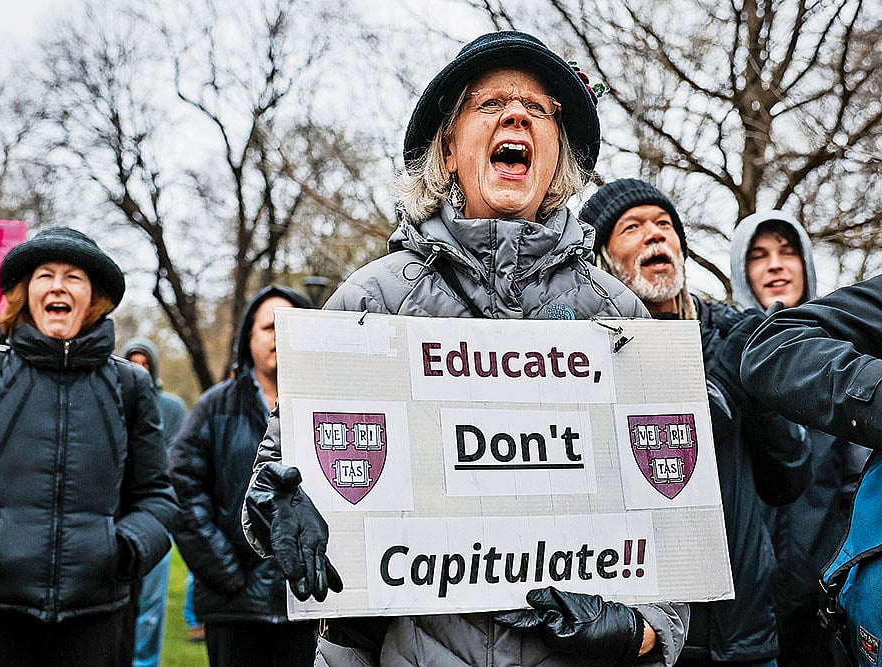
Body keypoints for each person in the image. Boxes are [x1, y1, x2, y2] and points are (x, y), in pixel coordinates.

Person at [242, 31, 692, 667]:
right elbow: (275, 484)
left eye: (537, 109)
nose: (517, 116)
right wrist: (278, 506)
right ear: (449, 149)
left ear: (558, 153)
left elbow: (678, 527)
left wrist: (636, 631)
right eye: (491, 104)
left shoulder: (619, 318)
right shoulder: (371, 302)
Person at [0, 227, 179, 667]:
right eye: (45, 275)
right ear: (26, 293)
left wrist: (122, 550)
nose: (58, 286)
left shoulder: (129, 385)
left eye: (73, 277)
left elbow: (157, 497)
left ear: (94, 298)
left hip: (92, 620)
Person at [579, 180, 812, 666]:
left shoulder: (734, 334)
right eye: (632, 227)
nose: (655, 235)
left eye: (664, 224)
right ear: (603, 257)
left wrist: (759, 387)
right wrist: (719, 389)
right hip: (637, 635)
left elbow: (789, 478)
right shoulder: (583, 351)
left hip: (742, 636)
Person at [730, 212, 868, 667]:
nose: (775, 264)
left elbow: (856, 486)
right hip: (744, 613)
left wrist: (839, 574)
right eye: (759, 255)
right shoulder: (722, 354)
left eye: (787, 252)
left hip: (824, 611)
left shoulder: (842, 363)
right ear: (741, 271)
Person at [169, 285, 317, 667]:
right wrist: (226, 573)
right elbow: (181, 489)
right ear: (248, 338)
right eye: (269, 327)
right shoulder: (215, 407)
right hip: (235, 608)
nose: (279, 336)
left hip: (313, 603)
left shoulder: (331, 404)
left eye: (289, 326)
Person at [120, 337, 189, 667]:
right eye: (133, 363)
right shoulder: (111, 402)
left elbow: (174, 460)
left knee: (151, 602)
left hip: (156, 516)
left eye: (145, 364)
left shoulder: (172, 408)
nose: (139, 370)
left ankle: (145, 662)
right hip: (118, 516)